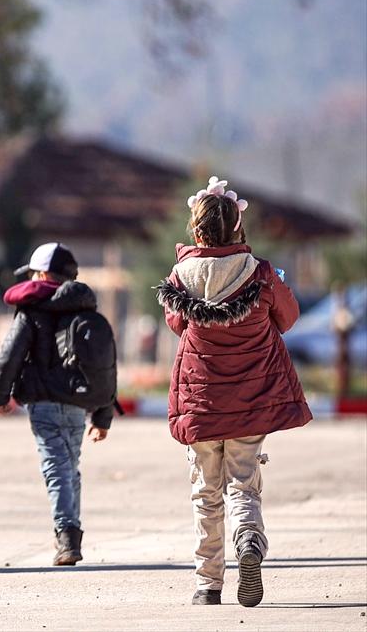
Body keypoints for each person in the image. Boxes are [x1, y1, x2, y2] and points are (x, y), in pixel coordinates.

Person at [155, 177, 311, 607]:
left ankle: (208, 585)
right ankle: (249, 540)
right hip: (250, 401)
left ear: (197, 230)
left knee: (205, 491)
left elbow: (175, 323)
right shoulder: (259, 274)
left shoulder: (179, 276)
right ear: (237, 227)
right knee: (243, 483)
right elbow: (289, 317)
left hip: (200, 401)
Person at [0, 242, 115, 566]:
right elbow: (104, 365)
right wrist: (102, 415)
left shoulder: (32, 309)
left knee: (56, 468)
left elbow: (9, 355)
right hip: (77, 403)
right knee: (69, 466)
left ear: (43, 274)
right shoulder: (86, 310)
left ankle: (68, 535)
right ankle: (70, 533)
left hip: (43, 402)